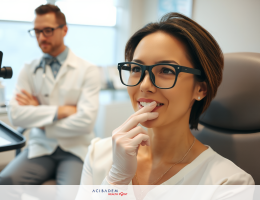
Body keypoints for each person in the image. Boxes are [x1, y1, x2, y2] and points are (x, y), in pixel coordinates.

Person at [80, 13, 254, 186]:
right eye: (136, 68)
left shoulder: (228, 182)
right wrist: (116, 178)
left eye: (166, 70)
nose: (145, 85)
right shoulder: (99, 154)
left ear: (200, 88)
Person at [0, 4, 100, 185]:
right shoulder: (28, 69)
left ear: (64, 30)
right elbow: (15, 116)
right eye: (36, 31)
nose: (41, 37)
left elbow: (86, 122)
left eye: (48, 30)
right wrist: (61, 111)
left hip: (75, 148)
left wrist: (40, 117)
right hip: (41, 147)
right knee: (5, 181)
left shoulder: (88, 70)